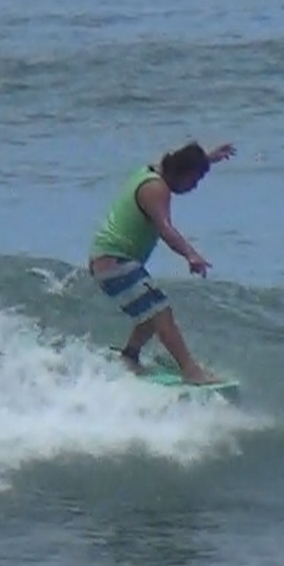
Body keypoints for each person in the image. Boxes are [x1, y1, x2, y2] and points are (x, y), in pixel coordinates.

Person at [88, 140, 235, 385]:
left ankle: (129, 357)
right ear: (181, 173)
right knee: (160, 311)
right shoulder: (156, 189)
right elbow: (165, 229)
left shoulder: (151, 170)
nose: (194, 187)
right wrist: (191, 255)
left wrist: (207, 159)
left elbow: (176, 161)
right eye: (193, 181)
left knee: (150, 314)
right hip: (114, 262)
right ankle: (190, 370)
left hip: (111, 261)